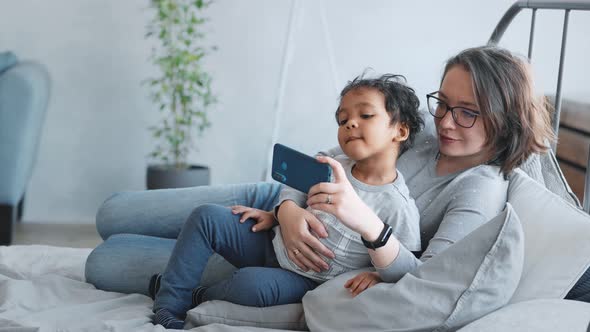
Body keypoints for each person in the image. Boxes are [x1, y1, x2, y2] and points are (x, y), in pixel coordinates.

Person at [88, 45, 582, 321]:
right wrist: (287, 209)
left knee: (105, 262)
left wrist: (363, 223)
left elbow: (420, 275)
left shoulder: (480, 191)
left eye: (467, 112)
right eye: (443, 102)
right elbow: (327, 157)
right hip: (278, 207)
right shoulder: (421, 129)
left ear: (504, 115)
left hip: (320, 258)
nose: (446, 122)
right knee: (111, 213)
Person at [150, 74, 424, 328]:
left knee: (251, 286)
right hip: (271, 240)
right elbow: (294, 189)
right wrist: (279, 213)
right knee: (206, 216)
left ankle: (198, 294)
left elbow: (407, 265)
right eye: (342, 120)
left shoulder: (398, 205)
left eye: (365, 114)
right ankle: (169, 305)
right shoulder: (331, 164)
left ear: (400, 131)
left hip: (305, 278)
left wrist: (378, 275)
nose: (351, 123)